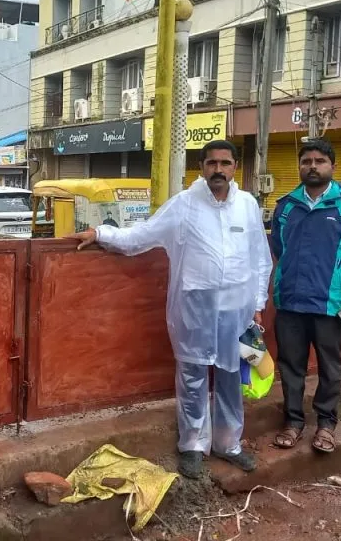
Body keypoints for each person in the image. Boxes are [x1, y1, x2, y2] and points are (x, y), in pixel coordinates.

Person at [70, 140, 272, 479]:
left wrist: (258, 304)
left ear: (235, 167)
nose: (218, 170)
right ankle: (193, 445)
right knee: (192, 377)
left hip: (236, 311)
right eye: (211, 163)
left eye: (225, 163)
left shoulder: (248, 206)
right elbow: (141, 236)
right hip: (194, 309)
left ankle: (228, 443)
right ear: (202, 167)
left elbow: (259, 259)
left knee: (230, 377)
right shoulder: (184, 206)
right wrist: (100, 232)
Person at [269, 138, 341, 454]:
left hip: (331, 303)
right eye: (306, 161)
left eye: (319, 161)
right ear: (300, 166)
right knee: (290, 365)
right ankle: (293, 422)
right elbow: (278, 249)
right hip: (290, 301)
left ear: (332, 166)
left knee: (330, 366)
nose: (312, 166)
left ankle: (327, 424)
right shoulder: (286, 206)